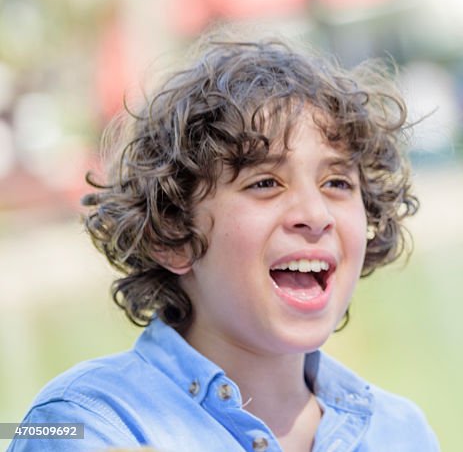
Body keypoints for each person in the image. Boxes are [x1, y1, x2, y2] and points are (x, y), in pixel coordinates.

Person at [12, 38, 440, 451]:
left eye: (337, 183)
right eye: (266, 183)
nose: (315, 214)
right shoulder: (88, 423)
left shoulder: (400, 432)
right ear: (172, 235)